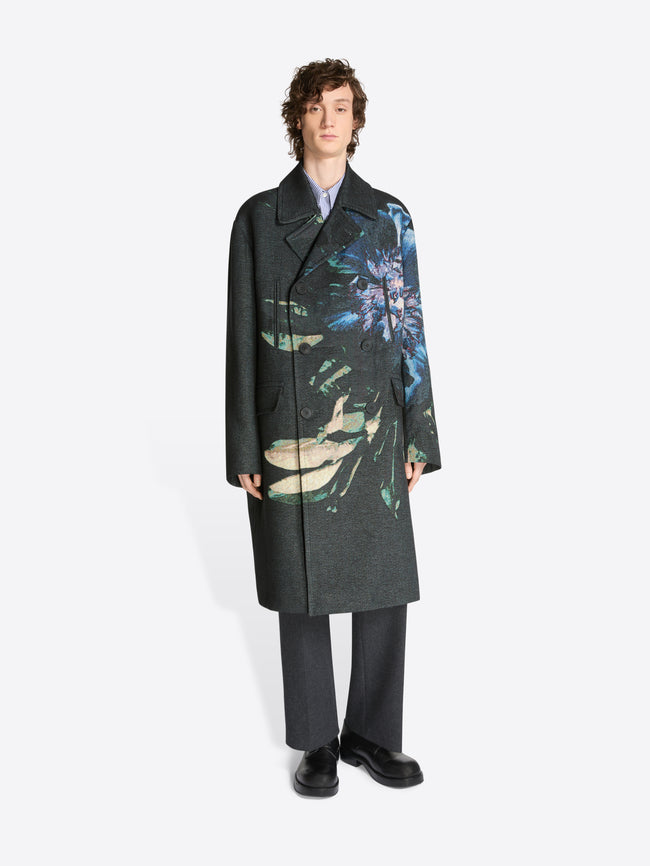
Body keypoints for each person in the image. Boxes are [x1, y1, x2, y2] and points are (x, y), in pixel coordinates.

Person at [225, 58, 442, 796]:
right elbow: (241, 336)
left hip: (372, 424)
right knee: (300, 586)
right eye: (316, 106)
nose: (328, 119)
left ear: (356, 121)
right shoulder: (259, 218)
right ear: (298, 119)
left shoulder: (389, 217)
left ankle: (374, 735)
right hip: (288, 428)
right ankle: (317, 740)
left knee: (383, 583)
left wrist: (419, 434)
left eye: (341, 107)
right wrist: (243, 443)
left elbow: (409, 330)